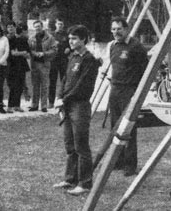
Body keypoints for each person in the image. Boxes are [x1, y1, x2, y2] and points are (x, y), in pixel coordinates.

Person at [53, 25, 100, 196]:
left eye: (74, 39)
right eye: (70, 38)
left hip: (79, 106)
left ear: (83, 40)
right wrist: (59, 97)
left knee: (81, 146)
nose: (71, 41)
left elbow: (82, 86)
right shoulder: (72, 56)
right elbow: (65, 79)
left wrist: (63, 100)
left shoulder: (89, 59)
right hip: (67, 105)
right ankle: (70, 178)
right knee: (69, 144)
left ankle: (85, 183)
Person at [108, 16, 147, 177]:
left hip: (129, 91)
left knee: (129, 128)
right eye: (113, 29)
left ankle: (130, 164)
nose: (116, 32)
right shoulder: (113, 46)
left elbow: (145, 70)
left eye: (119, 29)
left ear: (127, 29)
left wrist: (137, 93)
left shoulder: (136, 47)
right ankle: (118, 161)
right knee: (115, 127)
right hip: (115, 89)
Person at [28, 19, 57, 112]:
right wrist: (34, 53)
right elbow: (29, 49)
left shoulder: (50, 38)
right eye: (35, 27)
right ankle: (34, 105)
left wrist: (44, 53)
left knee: (44, 85)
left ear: (42, 27)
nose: (37, 28)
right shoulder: (31, 38)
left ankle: (44, 106)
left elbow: (54, 50)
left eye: (39, 27)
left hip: (45, 63)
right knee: (35, 85)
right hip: (34, 64)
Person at [7, 21, 31, 112]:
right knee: (13, 86)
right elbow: (13, 53)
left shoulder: (23, 40)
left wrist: (20, 53)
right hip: (12, 65)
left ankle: (17, 105)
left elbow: (28, 54)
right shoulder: (10, 39)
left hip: (22, 65)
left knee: (20, 86)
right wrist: (22, 53)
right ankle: (10, 106)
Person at [49, 18, 70, 108]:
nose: (60, 26)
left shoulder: (67, 35)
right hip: (53, 60)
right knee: (52, 81)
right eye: (58, 24)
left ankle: (63, 100)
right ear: (55, 24)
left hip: (64, 60)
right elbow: (47, 46)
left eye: (61, 24)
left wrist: (69, 49)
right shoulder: (51, 35)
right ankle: (50, 102)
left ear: (63, 25)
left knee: (64, 81)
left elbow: (71, 45)